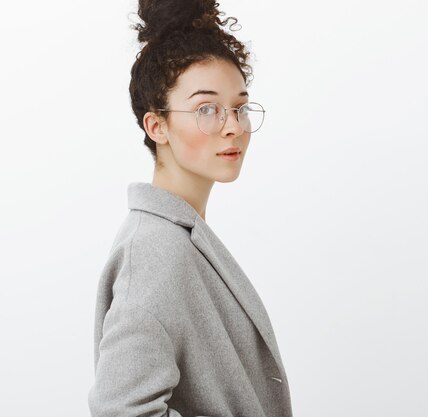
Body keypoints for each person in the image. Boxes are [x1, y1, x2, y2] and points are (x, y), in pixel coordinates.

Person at [87, 0, 293, 416]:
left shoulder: (177, 235)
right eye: (206, 109)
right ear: (156, 125)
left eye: (239, 107)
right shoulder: (154, 251)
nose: (233, 125)